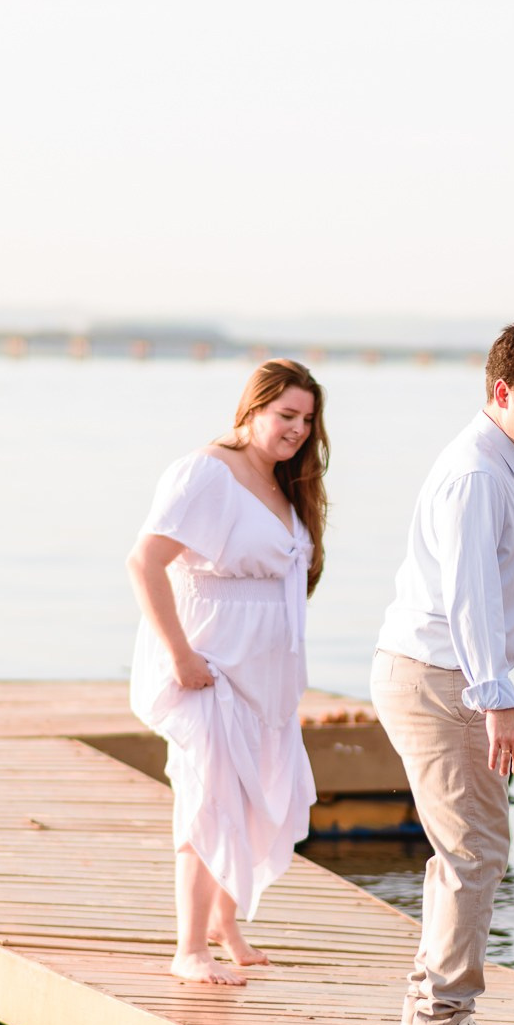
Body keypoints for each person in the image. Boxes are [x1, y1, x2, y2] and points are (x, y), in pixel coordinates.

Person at [371, 320, 514, 1025]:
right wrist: (497, 699)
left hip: (435, 669)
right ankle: (443, 1023)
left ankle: (424, 1015)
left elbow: (490, 580)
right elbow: (465, 596)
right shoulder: (478, 475)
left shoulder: (501, 462)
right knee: (477, 849)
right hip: (442, 679)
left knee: (463, 848)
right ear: (503, 391)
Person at [126, 359, 329, 986]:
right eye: (286, 415)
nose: (297, 430)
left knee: (251, 795)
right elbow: (144, 562)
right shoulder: (207, 472)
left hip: (265, 673)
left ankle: (225, 924)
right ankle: (189, 948)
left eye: (307, 420)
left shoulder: (282, 481)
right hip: (209, 662)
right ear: (252, 409)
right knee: (208, 794)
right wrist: (181, 655)